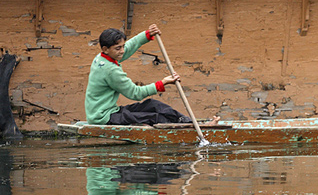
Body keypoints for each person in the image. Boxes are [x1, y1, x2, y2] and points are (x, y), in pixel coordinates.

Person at [85, 24, 219, 126]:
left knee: (153, 104)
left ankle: (190, 123)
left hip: (110, 111)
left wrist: (147, 35)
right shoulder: (110, 70)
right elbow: (135, 93)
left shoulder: (101, 57)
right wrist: (162, 83)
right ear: (105, 49)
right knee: (156, 118)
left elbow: (129, 47)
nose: (122, 51)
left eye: (122, 46)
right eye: (118, 48)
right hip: (104, 118)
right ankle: (192, 129)